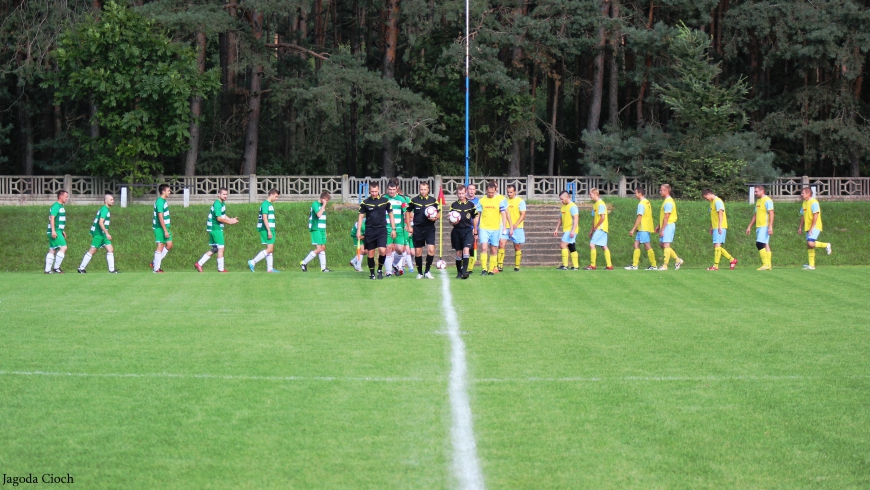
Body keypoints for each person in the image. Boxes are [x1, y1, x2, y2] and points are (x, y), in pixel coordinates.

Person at [357, 182, 396, 279]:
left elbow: (391, 215)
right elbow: (361, 217)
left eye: (375, 191)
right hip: (370, 230)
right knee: (370, 252)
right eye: (372, 191)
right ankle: (372, 273)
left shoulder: (385, 201)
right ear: (369, 191)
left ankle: (379, 269)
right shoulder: (365, 202)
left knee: (383, 250)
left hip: (381, 230)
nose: (374, 193)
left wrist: (393, 229)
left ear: (378, 190)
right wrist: (358, 231)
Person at [195, 187, 239, 273]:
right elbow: (219, 218)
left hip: (215, 228)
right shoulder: (217, 204)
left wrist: (230, 219)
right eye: (224, 194)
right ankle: (221, 269)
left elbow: (223, 215)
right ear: (219, 194)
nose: (225, 196)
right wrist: (229, 222)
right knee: (221, 248)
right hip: (215, 228)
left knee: (215, 249)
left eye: (226, 194)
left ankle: (199, 263)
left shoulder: (221, 203)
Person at [77, 193, 119, 273]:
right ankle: (81, 268)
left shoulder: (105, 209)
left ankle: (111, 270)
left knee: (110, 249)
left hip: (102, 235)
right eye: (111, 200)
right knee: (92, 250)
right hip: (99, 234)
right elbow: (100, 222)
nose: (113, 201)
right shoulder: (104, 209)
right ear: (106, 201)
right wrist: (107, 233)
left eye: (113, 199)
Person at [475, 181, 510, 275]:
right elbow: (477, 215)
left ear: (495, 191)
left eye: (492, 192)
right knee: (484, 247)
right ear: (486, 190)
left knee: (494, 249)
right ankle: (484, 269)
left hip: (495, 229)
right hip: (484, 228)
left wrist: (504, 227)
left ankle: (491, 269)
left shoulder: (499, 200)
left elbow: (503, 214)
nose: (490, 194)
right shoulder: (482, 200)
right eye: (489, 192)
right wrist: (475, 228)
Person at [406, 181, 439, 279]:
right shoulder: (414, 200)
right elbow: (407, 212)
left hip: (429, 228)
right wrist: (409, 225)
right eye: (421, 189)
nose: (423, 191)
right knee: (418, 252)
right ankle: (420, 273)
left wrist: (435, 218)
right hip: (418, 229)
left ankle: (427, 271)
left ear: (428, 190)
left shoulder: (433, 201)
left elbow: (439, 212)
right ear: (419, 189)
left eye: (425, 189)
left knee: (431, 249)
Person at [702, 189, 737, 271]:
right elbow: (713, 216)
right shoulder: (712, 203)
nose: (706, 199)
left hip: (720, 226)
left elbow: (720, 213)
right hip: (715, 227)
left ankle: (716, 266)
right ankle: (732, 260)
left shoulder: (718, 201)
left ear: (709, 194)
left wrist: (720, 226)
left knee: (717, 246)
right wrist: (711, 227)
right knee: (716, 246)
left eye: (705, 197)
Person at [798, 187, 831, 270]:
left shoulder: (814, 202)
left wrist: (812, 227)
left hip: (815, 226)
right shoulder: (804, 203)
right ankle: (811, 265)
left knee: (810, 243)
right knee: (809, 246)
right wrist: (800, 227)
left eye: (803, 193)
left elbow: (816, 215)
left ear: (808, 194)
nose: (801, 194)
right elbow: (803, 216)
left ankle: (826, 245)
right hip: (807, 227)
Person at [248, 189, 281, 273]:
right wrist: (269, 230)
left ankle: (270, 268)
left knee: (270, 249)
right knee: (269, 249)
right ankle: (253, 262)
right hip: (266, 229)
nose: (276, 198)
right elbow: (264, 217)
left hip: (270, 229)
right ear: (271, 194)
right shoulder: (265, 204)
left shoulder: (269, 204)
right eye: (276, 196)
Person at [626, 187, 658, 270]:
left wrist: (633, 229)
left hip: (643, 228)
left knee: (647, 246)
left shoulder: (641, 204)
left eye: (636, 193)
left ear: (640, 193)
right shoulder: (647, 202)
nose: (635, 195)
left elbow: (640, 217)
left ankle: (654, 265)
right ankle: (634, 265)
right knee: (636, 245)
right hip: (643, 227)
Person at [450, 185, 477, 279]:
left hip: (468, 230)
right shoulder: (454, 205)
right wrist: (451, 220)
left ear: (465, 193)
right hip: (457, 231)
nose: (461, 195)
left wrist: (475, 230)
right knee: (458, 252)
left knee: (466, 250)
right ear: (457, 194)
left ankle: (464, 272)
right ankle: (459, 272)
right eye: (459, 193)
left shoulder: (471, 205)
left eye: (462, 193)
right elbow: (450, 218)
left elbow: (474, 217)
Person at [300, 191, 331, 272]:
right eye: (326, 200)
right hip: (316, 228)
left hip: (322, 230)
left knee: (323, 248)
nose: (327, 202)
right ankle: (304, 262)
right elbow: (318, 215)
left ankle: (323, 268)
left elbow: (323, 220)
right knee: (319, 249)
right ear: (322, 199)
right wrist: (324, 205)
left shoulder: (322, 206)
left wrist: (325, 231)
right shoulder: (315, 204)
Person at [383, 180, 409, 277]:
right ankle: (388, 271)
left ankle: (394, 265)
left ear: (396, 189)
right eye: (390, 189)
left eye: (393, 189)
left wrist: (407, 224)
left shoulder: (402, 199)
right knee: (388, 249)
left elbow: (406, 212)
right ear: (387, 189)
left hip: (399, 228)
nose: (392, 191)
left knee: (400, 250)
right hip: (387, 227)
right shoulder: (383, 198)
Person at [746, 185, 775, 270]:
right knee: (766, 244)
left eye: (756, 191)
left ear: (762, 191)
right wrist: (749, 226)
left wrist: (770, 227)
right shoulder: (758, 201)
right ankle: (769, 265)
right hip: (759, 226)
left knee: (759, 244)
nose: (755, 193)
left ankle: (765, 264)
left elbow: (771, 213)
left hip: (764, 226)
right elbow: (755, 215)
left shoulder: (767, 200)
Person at [655, 184, 684, 271]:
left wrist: (662, 229)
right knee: (662, 244)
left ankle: (665, 265)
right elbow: (663, 216)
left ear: (666, 191)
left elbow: (667, 217)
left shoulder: (668, 202)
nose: (660, 191)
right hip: (665, 225)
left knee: (666, 244)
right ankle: (678, 260)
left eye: (661, 190)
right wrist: (658, 226)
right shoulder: (666, 201)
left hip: (668, 225)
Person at [498, 184, 526, 271]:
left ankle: (517, 266)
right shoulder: (504, 201)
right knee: (501, 244)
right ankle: (500, 266)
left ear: (515, 192)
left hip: (516, 227)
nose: (509, 194)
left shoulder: (520, 201)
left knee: (517, 246)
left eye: (511, 192)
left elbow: (523, 214)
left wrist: (516, 224)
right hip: (505, 227)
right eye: (508, 192)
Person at [585, 188, 613, 270]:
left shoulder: (601, 204)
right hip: (600, 228)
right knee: (604, 246)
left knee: (592, 244)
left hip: (601, 227)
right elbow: (594, 218)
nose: (590, 196)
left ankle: (593, 265)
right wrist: (591, 230)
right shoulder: (595, 205)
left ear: (595, 194)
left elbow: (603, 217)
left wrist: (596, 226)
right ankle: (609, 265)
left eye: (590, 194)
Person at [553, 190, 579, 270]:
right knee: (571, 247)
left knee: (563, 245)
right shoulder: (563, 207)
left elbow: (576, 218)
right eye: (560, 199)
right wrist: (556, 229)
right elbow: (560, 219)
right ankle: (575, 266)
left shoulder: (573, 206)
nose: (561, 201)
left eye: (562, 199)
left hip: (570, 230)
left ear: (567, 197)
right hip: (566, 230)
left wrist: (573, 230)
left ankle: (565, 265)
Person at [45, 190, 69, 274]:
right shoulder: (56, 206)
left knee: (52, 249)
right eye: (66, 196)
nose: (67, 198)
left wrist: (62, 231)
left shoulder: (60, 206)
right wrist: (53, 231)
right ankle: (56, 268)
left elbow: (58, 220)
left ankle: (47, 270)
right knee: (63, 247)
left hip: (58, 230)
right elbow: (52, 218)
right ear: (61, 196)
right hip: (55, 231)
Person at [151, 184, 173, 273]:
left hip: (165, 227)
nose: (169, 192)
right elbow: (160, 217)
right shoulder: (160, 201)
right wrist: (164, 230)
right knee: (160, 246)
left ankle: (154, 262)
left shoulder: (163, 201)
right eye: (168, 190)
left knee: (169, 245)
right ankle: (156, 269)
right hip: (160, 227)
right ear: (163, 191)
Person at [465, 183, 480, 272]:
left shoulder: (478, 201)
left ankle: (470, 267)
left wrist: (475, 228)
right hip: (464, 226)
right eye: (470, 189)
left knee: (472, 246)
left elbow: (478, 215)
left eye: (473, 189)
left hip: (474, 226)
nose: (471, 191)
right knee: (465, 246)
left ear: (475, 190)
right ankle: (465, 265)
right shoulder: (464, 200)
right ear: (467, 190)